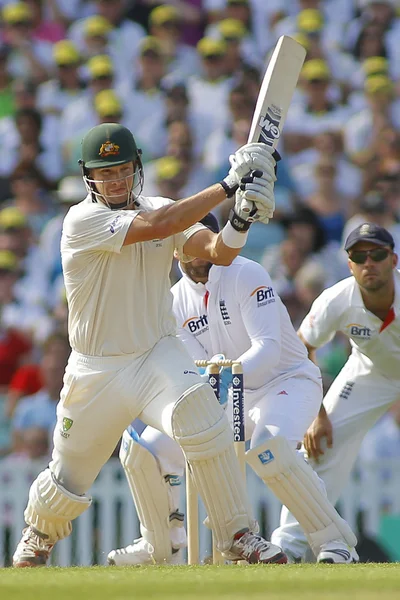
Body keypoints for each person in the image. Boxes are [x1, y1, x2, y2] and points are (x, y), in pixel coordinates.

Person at [12, 121, 283, 568]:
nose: (114, 180)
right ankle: (38, 535)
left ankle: (237, 535)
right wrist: (230, 184)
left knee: (204, 420)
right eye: (104, 172)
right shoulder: (82, 220)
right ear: (88, 177)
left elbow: (218, 251)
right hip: (96, 367)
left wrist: (240, 217)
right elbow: (160, 224)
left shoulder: (162, 206)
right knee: (69, 472)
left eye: (121, 169)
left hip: (156, 353)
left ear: (136, 167)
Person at [107, 214, 357, 566]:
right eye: (187, 244)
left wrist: (223, 381)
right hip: (225, 394)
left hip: (285, 382)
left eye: (203, 240)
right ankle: (162, 543)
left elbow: (268, 349)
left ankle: (333, 541)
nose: (197, 253)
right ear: (176, 250)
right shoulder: (172, 301)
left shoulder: (246, 272)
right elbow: (193, 367)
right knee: (143, 448)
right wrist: (213, 387)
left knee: (269, 449)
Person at [272, 222, 400, 563]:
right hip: (371, 371)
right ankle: (293, 545)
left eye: (377, 255)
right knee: (318, 449)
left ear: (393, 260)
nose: (368, 263)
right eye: (360, 256)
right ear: (349, 265)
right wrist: (317, 414)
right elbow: (302, 348)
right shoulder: (337, 299)